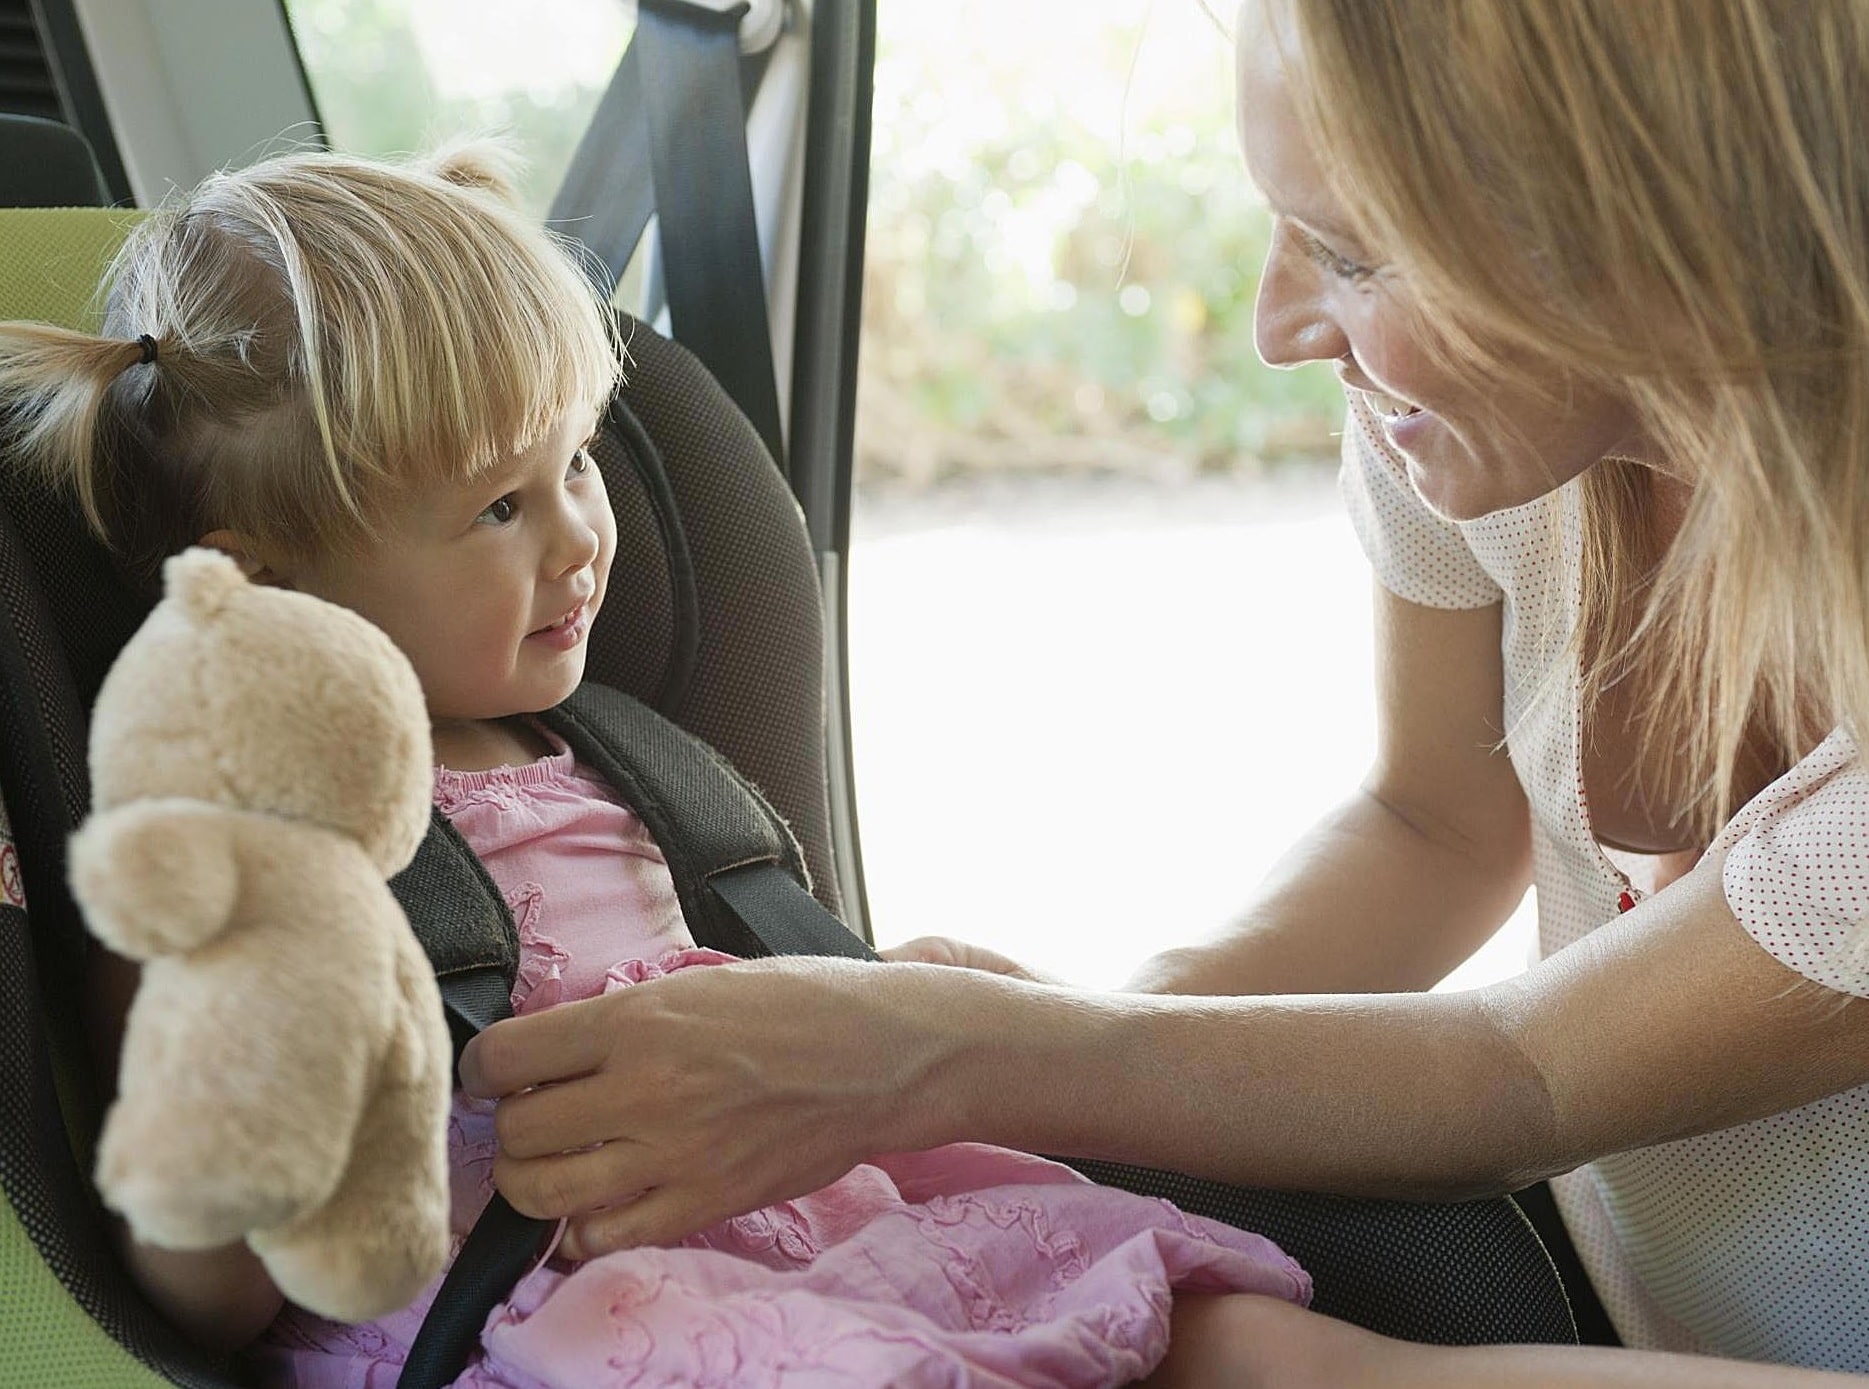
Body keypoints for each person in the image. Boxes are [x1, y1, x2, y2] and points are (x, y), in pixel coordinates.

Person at [449, 1, 1869, 1384]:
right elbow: (1433, 825)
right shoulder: (1486, 425)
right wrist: (1090, 1062)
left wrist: (958, 1054)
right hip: (1628, 1296)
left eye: (1355, 254)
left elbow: (1529, 1073)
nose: (1273, 322)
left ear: (1658, 233)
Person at [0, 143, 1317, 1387]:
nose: (578, 536)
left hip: (806, 1212)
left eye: (575, 458)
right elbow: (202, 1297)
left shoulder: (631, 760)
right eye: (499, 508)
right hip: (546, 1313)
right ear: (264, 580)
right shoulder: (240, 857)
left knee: (1223, 1329)